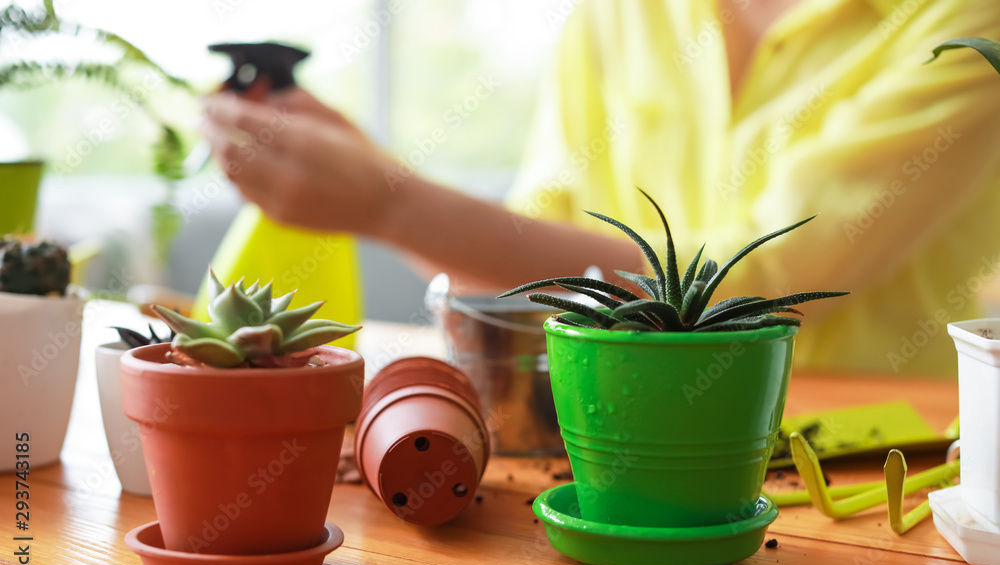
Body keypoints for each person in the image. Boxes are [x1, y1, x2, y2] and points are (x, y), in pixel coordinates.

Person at [200, 0, 1000, 377]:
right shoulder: (622, 12)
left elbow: (755, 288)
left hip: (876, 461)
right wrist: (365, 174)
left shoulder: (965, 20)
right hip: (615, 440)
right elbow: (540, 277)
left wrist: (386, 201)